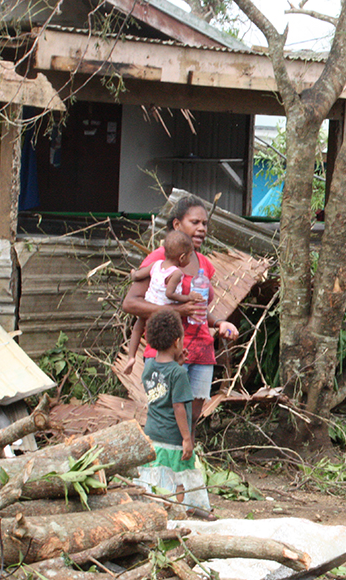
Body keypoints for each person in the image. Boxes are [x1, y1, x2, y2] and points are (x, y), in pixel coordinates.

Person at [122, 195, 239, 443]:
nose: (202, 229)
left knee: (193, 417)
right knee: (168, 413)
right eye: (195, 222)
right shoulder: (160, 261)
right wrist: (177, 312)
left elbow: (196, 309)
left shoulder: (204, 264)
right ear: (177, 225)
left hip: (201, 350)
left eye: (205, 224)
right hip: (168, 351)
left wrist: (219, 323)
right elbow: (131, 303)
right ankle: (161, 470)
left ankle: (185, 467)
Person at [134, 309, 210, 512]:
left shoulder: (149, 368)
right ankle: (181, 509)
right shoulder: (179, 374)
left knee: (158, 473)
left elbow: (161, 389)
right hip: (173, 436)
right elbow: (178, 407)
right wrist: (186, 438)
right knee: (179, 475)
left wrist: (176, 362)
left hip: (152, 432)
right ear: (177, 342)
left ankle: (156, 507)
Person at [123, 230, 203, 375]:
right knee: (179, 331)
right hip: (165, 308)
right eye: (190, 256)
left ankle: (131, 357)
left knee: (137, 328)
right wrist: (188, 298)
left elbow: (138, 275)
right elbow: (170, 294)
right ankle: (179, 357)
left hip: (149, 302)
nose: (191, 260)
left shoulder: (155, 264)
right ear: (182, 257)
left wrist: (133, 273)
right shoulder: (176, 273)